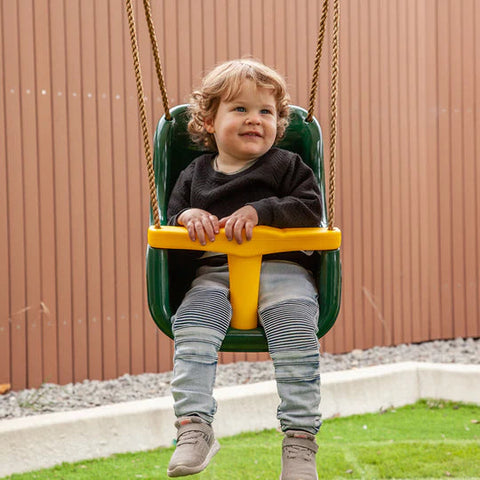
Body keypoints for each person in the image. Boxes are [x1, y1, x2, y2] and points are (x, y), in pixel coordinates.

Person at [166, 59, 323, 480]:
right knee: (192, 332)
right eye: (240, 109)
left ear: (278, 123)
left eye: (265, 111)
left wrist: (261, 211)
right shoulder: (194, 174)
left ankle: (300, 440)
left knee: (297, 343)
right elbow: (172, 217)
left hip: (284, 275)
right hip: (213, 277)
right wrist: (188, 217)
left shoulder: (287, 166)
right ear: (208, 121)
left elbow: (311, 209)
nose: (255, 119)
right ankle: (193, 426)